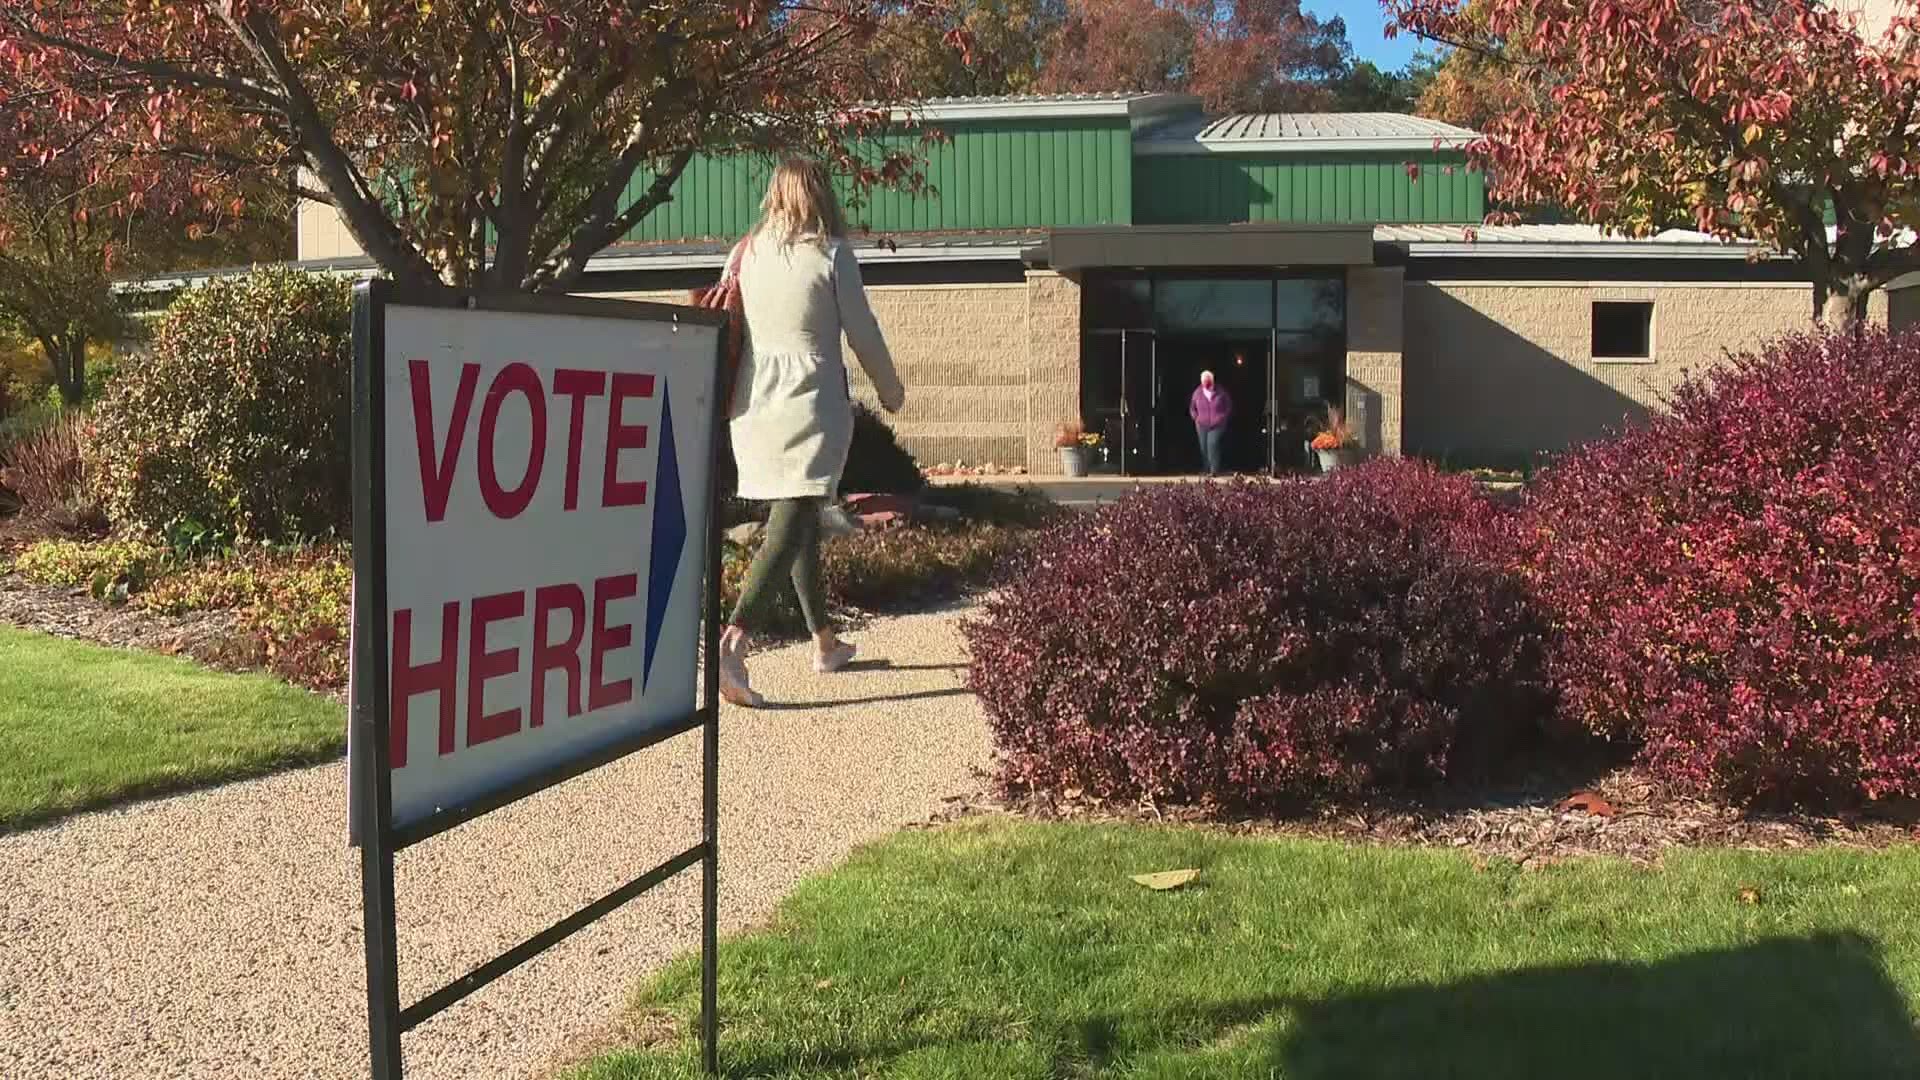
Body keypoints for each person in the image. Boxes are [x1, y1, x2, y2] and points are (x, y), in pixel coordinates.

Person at [719, 158, 906, 708]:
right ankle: (734, 641)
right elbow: (863, 332)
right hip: (810, 403)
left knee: (795, 515)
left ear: (775, 195)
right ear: (820, 195)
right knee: (795, 515)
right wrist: (891, 392)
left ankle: (824, 641)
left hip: (753, 406)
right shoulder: (831, 255)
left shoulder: (746, 251)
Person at [1189, 369, 1232, 476]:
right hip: (1201, 424)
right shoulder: (1197, 392)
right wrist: (1196, 417)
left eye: (1208, 380)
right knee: (1203, 447)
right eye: (1204, 380)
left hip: (1217, 424)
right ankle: (1206, 469)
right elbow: (1192, 407)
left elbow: (1228, 405)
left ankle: (1214, 470)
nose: (1207, 382)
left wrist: (1222, 417)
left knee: (1212, 444)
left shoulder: (1221, 392)